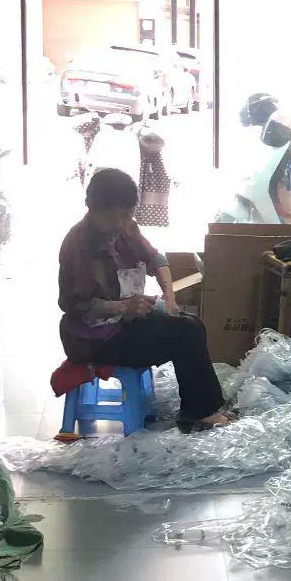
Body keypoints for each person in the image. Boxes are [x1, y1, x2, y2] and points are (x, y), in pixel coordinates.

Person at [58, 168, 232, 430]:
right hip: (92, 339)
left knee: (192, 323)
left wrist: (170, 299)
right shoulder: (76, 245)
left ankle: (201, 407)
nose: (120, 223)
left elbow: (156, 260)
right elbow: (75, 306)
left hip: (124, 321)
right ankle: (199, 413)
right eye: (112, 216)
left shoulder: (126, 229)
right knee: (185, 334)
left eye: (126, 214)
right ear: (90, 207)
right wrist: (122, 306)